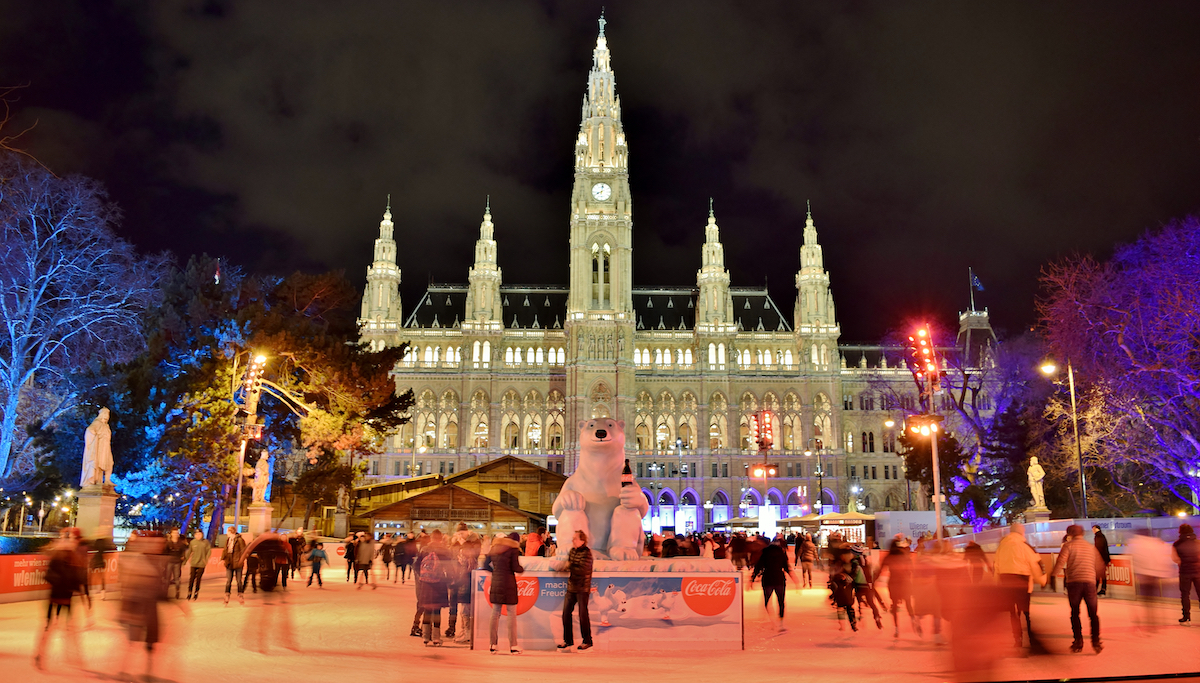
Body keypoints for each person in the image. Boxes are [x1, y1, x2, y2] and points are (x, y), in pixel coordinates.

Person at [35, 533, 86, 669]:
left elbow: (77, 578)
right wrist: (63, 583)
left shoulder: (72, 560)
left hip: (63, 597)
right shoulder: (60, 560)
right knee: (52, 627)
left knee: (61, 627)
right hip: (58, 596)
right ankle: (41, 653)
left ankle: (71, 655)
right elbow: (49, 576)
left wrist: (75, 586)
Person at [1051, 524, 1104, 653]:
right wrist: (1098, 579)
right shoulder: (1091, 548)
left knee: (1075, 613)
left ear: (1070, 534)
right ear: (1083, 533)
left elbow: (1060, 562)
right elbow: (1099, 566)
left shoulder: (1068, 546)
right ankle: (1096, 642)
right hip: (1089, 583)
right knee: (1093, 614)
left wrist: (1053, 576)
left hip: (1074, 583)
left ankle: (1078, 641)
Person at [994, 522, 1047, 650]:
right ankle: (1030, 638)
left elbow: (996, 565)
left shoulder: (1002, 546)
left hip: (1006, 581)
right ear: (1021, 532)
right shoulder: (1025, 546)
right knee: (1025, 612)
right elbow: (1035, 564)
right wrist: (1041, 580)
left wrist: (997, 583)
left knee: (1013, 613)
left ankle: (1017, 639)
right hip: (1022, 581)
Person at [485, 531, 525, 654]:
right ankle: (513, 646)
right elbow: (515, 567)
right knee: (511, 614)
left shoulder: (494, 548)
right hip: (508, 583)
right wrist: (522, 569)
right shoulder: (513, 549)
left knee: (495, 613)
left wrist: (495, 571)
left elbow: (484, 565)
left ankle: (493, 644)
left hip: (496, 582)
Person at [556, 530, 595, 651]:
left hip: (582, 587)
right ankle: (568, 640)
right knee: (565, 613)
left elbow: (582, 570)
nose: (573, 541)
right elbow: (571, 566)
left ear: (582, 541)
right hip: (572, 586)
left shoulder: (587, 553)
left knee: (583, 614)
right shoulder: (572, 551)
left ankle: (587, 641)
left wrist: (569, 565)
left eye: (575, 539)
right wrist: (563, 567)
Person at [751, 537, 798, 632]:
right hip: (779, 579)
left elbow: (758, 566)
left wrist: (752, 579)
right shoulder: (781, 553)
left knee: (767, 601)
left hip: (767, 579)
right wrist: (794, 579)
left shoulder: (765, 552)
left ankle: (772, 621)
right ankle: (780, 623)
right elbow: (787, 567)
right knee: (781, 602)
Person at [416, 530, 451, 646]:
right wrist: (450, 580)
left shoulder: (424, 550)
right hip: (439, 583)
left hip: (426, 584)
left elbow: (416, 565)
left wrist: (422, 576)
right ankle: (436, 638)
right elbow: (451, 568)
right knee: (437, 611)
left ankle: (425, 637)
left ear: (431, 538)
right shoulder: (445, 551)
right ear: (441, 538)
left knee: (427, 609)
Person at [877, 536, 916, 638]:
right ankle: (913, 620)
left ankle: (896, 628)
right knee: (908, 604)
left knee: (894, 605)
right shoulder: (904, 556)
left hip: (894, 582)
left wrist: (873, 580)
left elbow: (881, 570)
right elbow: (911, 569)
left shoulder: (888, 557)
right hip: (905, 582)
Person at [1173, 523, 1200, 624]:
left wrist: (1183, 562)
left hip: (1184, 572)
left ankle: (1186, 617)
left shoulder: (1177, 544)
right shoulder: (1198, 543)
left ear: (1180, 532)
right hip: (1198, 571)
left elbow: (1175, 558)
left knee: (1185, 595)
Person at [183, 530, 211, 601]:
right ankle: (189, 592)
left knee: (198, 579)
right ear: (195, 535)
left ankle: (196, 592)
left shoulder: (205, 542)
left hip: (201, 564)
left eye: (199, 534)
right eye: (197, 534)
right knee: (191, 578)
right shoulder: (192, 542)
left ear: (202, 535)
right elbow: (189, 552)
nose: (198, 536)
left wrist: (206, 559)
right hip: (194, 563)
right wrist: (185, 561)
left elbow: (209, 551)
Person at [222, 527, 247, 606]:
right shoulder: (228, 540)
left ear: (231, 532)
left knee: (239, 581)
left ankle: (240, 595)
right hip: (229, 563)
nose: (226, 533)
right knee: (228, 580)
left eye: (227, 531)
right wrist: (222, 559)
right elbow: (225, 550)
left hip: (237, 563)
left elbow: (243, 551)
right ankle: (227, 595)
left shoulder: (239, 540)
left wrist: (241, 560)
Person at [163, 529, 188, 600]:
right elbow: (165, 552)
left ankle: (177, 591)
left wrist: (182, 558)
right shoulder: (168, 543)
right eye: (174, 533)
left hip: (177, 562)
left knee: (177, 578)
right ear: (171, 534)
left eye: (176, 533)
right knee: (167, 578)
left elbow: (183, 552)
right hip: (169, 562)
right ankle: (165, 593)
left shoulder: (181, 543)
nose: (175, 534)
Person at [1093, 525, 1112, 596]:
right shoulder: (1101, 536)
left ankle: (1099, 589)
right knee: (1101, 574)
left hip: (1101, 559)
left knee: (1099, 575)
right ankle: (1102, 589)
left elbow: (1099, 548)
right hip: (1103, 559)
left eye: (1093, 529)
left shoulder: (1098, 536)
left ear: (1096, 529)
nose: (1092, 531)